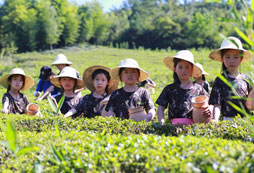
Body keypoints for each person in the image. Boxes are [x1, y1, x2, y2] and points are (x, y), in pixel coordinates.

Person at [156, 50, 211, 126]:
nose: (183, 71)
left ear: (191, 70)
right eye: (180, 67)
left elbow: (210, 103)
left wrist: (209, 109)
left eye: (187, 67)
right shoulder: (169, 89)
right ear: (175, 69)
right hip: (173, 126)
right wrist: (161, 122)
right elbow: (161, 108)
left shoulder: (199, 89)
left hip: (193, 126)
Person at [208, 36, 254, 121]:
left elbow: (251, 106)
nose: (231, 60)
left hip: (245, 121)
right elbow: (217, 105)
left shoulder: (246, 79)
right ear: (222, 58)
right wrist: (215, 119)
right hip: (228, 121)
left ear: (241, 58)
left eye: (235, 57)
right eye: (227, 57)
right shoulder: (220, 80)